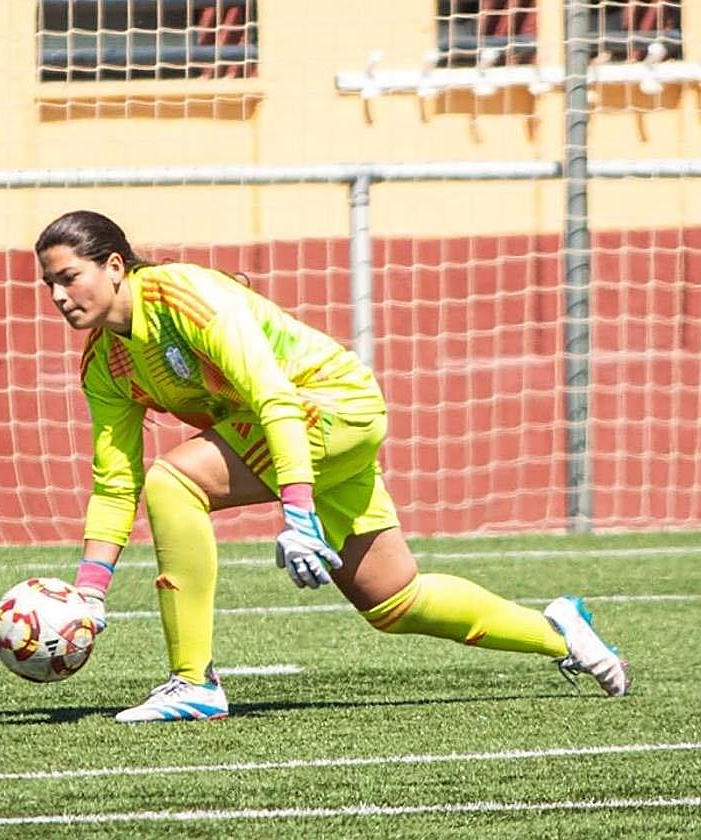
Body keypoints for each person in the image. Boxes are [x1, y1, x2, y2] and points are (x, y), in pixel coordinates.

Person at [35, 210, 629, 724]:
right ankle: (561, 632)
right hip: (296, 433)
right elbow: (115, 483)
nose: (60, 296)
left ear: (114, 266)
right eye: (50, 285)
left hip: (332, 406)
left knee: (175, 481)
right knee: (394, 602)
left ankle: (194, 683)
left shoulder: (185, 294)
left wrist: (298, 513)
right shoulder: (106, 364)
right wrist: (91, 594)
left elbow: (274, 397)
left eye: (69, 278)